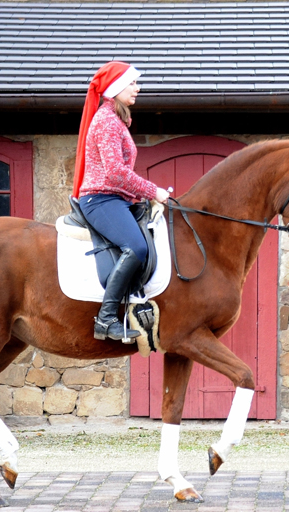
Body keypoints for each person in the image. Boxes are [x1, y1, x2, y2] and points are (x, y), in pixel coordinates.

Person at [72, 61, 171, 342]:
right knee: (136, 247)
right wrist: (153, 191)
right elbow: (116, 173)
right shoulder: (106, 122)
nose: (137, 88)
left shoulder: (116, 120)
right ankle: (105, 319)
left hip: (116, 198)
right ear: (116, 88)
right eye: (132, 83)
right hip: (100, 199)